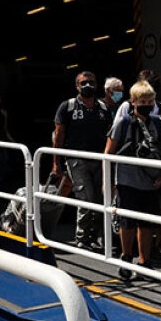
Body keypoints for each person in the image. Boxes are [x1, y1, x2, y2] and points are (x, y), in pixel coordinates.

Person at [105, 81, 161, 279]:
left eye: (150, 101)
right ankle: (126, 258)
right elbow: (108, 153)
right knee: (127, 222)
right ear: (133, 102)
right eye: (142, 101)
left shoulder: (158, 123)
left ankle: (144, 261)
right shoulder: (123, 123)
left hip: (151, 181)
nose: (146, 105)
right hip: (127, 180)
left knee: (147, 223)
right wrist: (108, 183)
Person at [53, 71, 112, 250]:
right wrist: (56, 162)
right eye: (84, 83)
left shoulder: (104, 108)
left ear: (97, 85)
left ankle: (97, 235)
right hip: (77, 159)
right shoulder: (68, 107)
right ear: (77, 86)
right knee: (85, 197)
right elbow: (59, 135)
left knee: (100, 198)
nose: (88, 86)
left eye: (91, 82)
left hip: (100, 159)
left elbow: (111, 135)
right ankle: (82, 237)